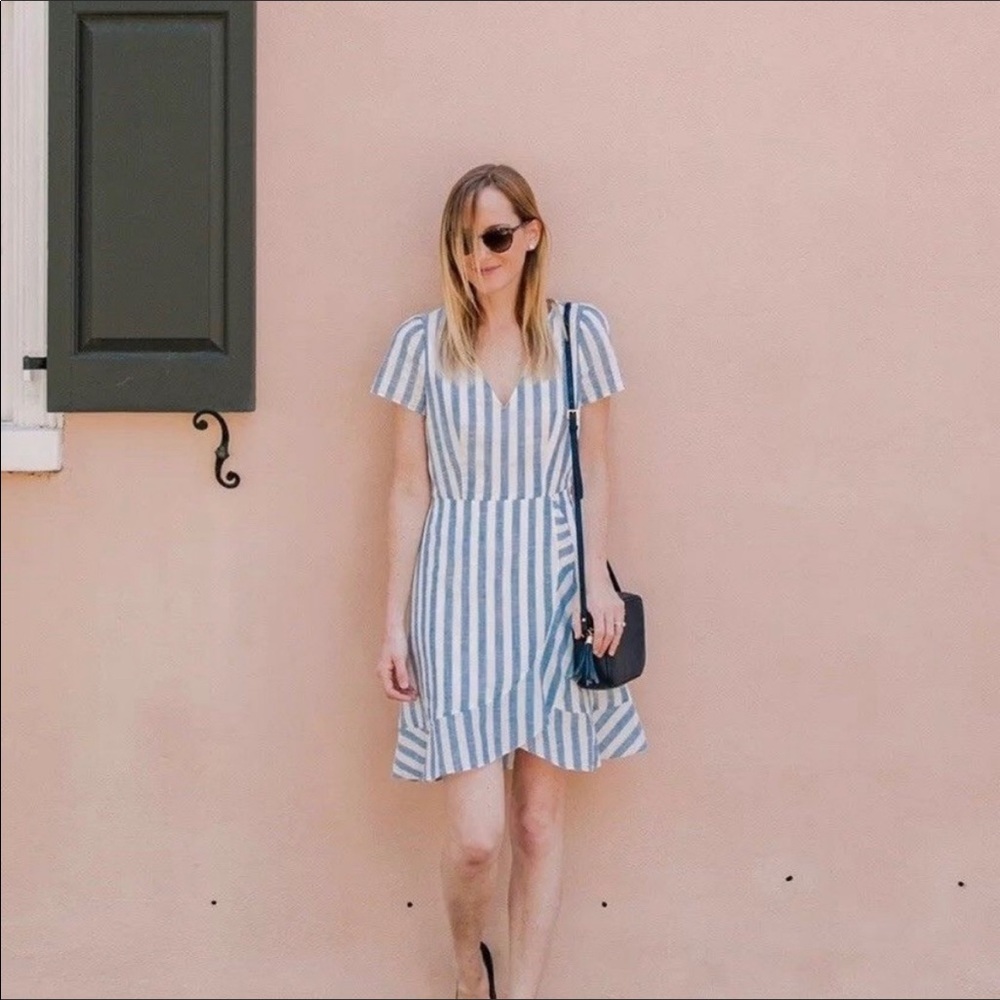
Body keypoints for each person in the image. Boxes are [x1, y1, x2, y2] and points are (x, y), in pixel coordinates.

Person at [370, 163, 647, 1000]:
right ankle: (469, 972)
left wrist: (597, 582)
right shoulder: (420, 345)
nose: (478, 256)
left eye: (494, 236)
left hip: (553, 591)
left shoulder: (578, 335)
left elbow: (596, 470)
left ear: (531, 235)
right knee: (477, 838)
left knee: (535, 822)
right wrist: (393, 623)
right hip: (454, 595)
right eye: (462, 241)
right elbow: (408, 488)